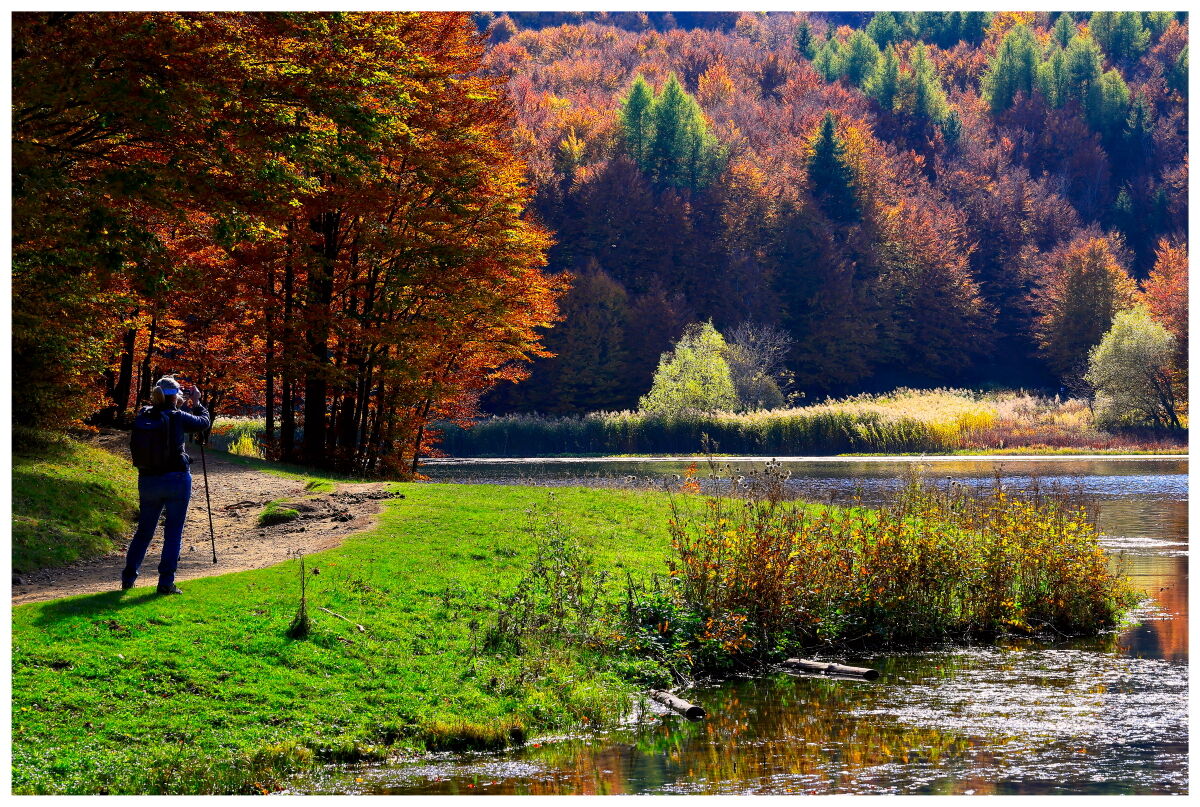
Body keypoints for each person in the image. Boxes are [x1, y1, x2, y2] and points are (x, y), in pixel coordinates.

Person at [121, 376, 211, 595]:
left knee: (143, 532)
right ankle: (165, 583)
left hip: (148, 479)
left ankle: (128, 578)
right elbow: (203, 422)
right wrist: (197, 402)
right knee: (173, 532)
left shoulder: (144, 415)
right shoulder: (177, 417)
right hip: (176, 480)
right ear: (176, 396)